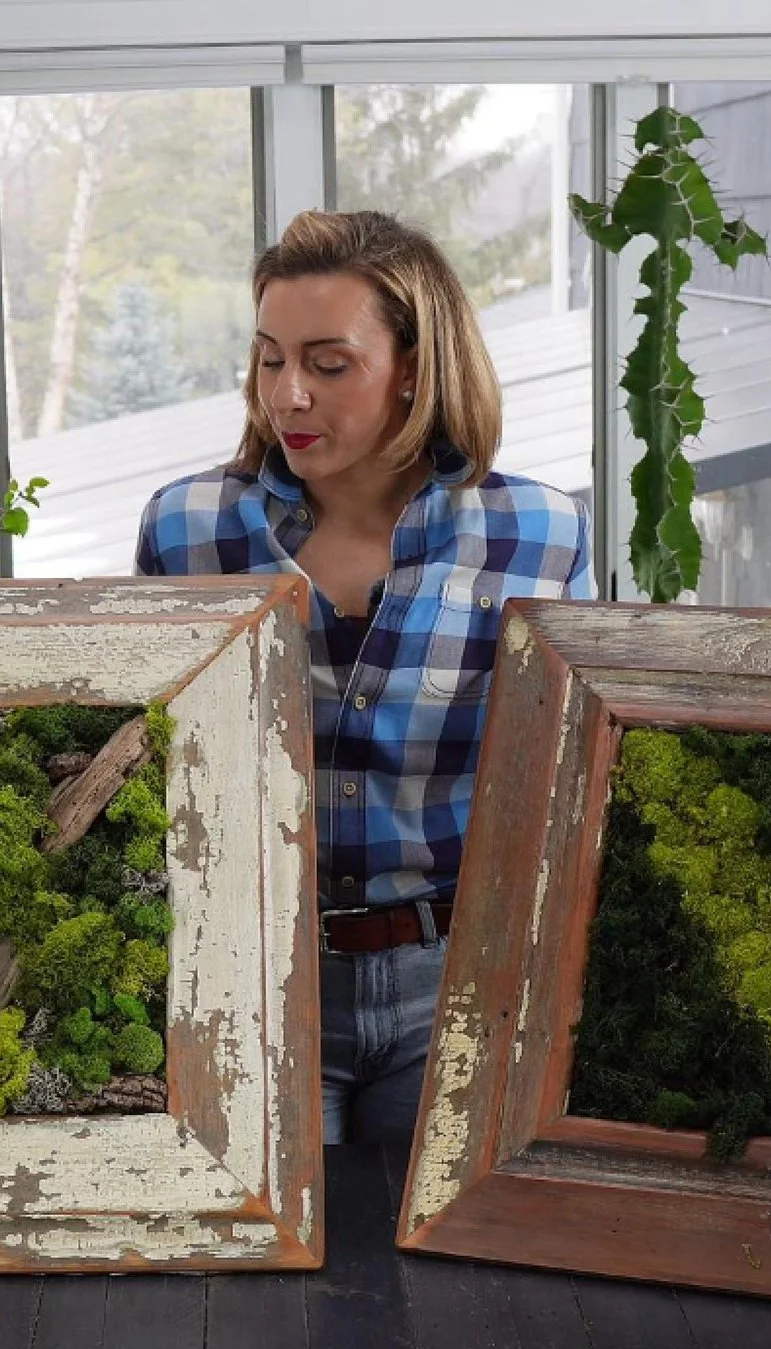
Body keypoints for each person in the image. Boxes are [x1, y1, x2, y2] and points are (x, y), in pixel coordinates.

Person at [134, 210, 594, 1145]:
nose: (288, 395)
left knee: (444, 1279)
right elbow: (142, 772)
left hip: (463, 987)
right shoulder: (186, 529)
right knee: (260, 1282)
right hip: (246, 980)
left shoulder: (539, 536)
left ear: (418, 366)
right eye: (269, 359)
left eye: (328, 363)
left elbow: (575, 790)